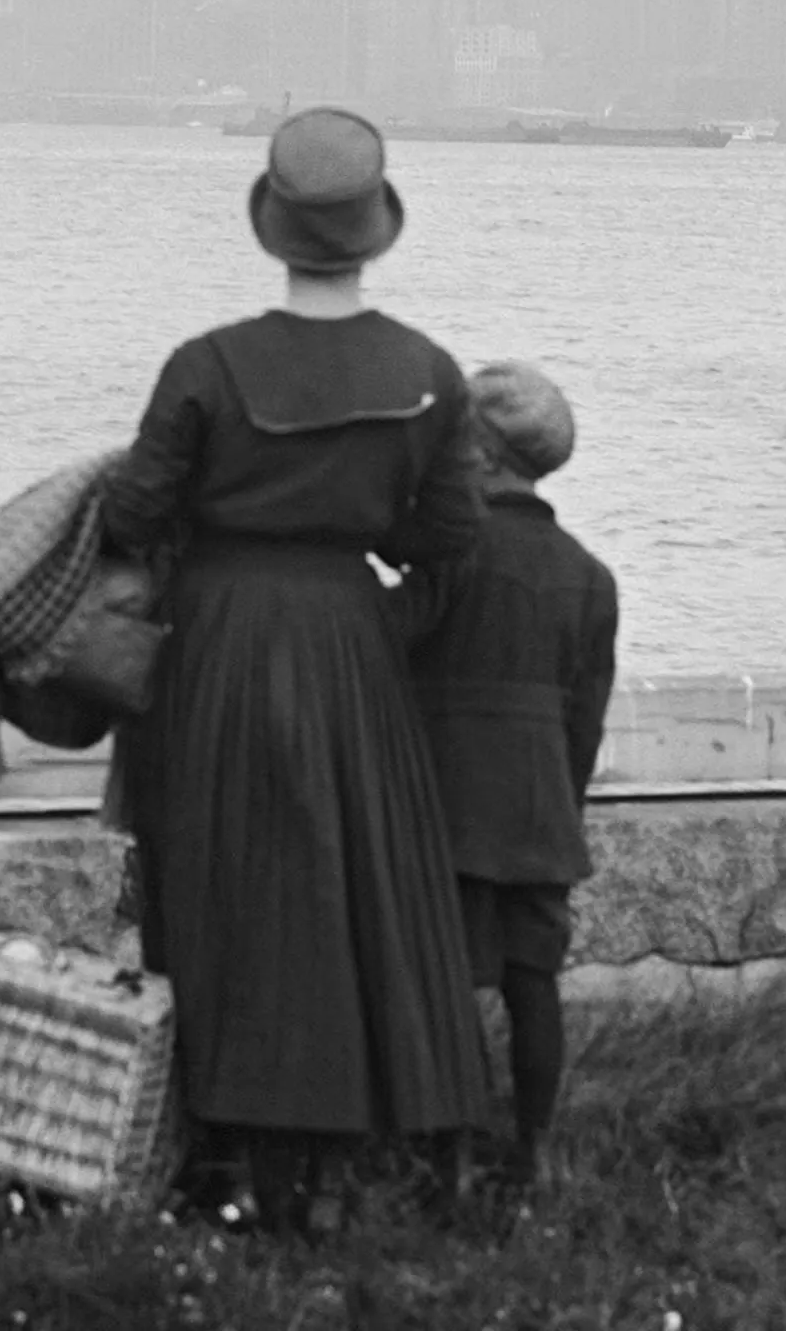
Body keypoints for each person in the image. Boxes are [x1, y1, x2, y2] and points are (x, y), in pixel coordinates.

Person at [99, 107, 495, 1232]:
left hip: (217, 636)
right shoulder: (427, 371)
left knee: (216, 880)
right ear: (375, 235)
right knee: (354, 888)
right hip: (347, 640)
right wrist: (368, 584)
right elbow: (450, 534)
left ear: (274, 231)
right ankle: (333, 1168)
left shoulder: (209, 364)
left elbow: (134, 509)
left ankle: (221, 1154)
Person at [397, 362, 616, 1188]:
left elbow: (384, 647)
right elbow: (583, 721)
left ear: (479, 457)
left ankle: (449, 1152)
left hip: (446, 805)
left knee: (443, 981)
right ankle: (534, 1148)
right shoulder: (589, 576)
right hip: (539, 812)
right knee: (534, 987)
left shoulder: (454, 555)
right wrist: (561, 802)